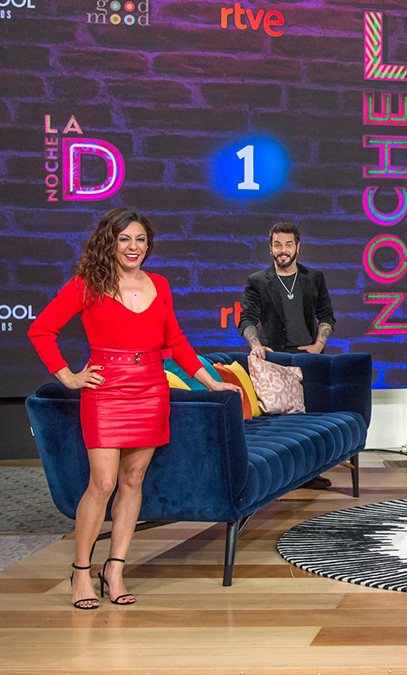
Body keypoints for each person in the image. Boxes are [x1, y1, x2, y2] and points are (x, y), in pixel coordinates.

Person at [28, 207, 241, 610]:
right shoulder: (87, 285)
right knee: (102, 483)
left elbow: (175, 341)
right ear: (109, 242)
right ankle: (80, 571)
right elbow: (41, 330)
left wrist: (210, 379)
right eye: (124, 239)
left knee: (133, 479)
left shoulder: (159, 284)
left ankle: (115, 569)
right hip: (106, 392)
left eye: (140, 239)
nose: (133, 247)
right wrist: (67, 376)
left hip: (151, 389)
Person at [239, 221, 336, 489]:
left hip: (310, 358)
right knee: (283, 424)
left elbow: (327, 315)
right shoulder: (258, 281)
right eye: (278, 245)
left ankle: (310, 472)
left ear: (298, 247)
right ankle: (284, 475)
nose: (283, 250)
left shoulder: (314, 277)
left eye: (288, 244)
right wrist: (255, 344)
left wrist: (318, 346)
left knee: (312, 420)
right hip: (277, 359)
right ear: (270, 248)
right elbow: (247, 318)